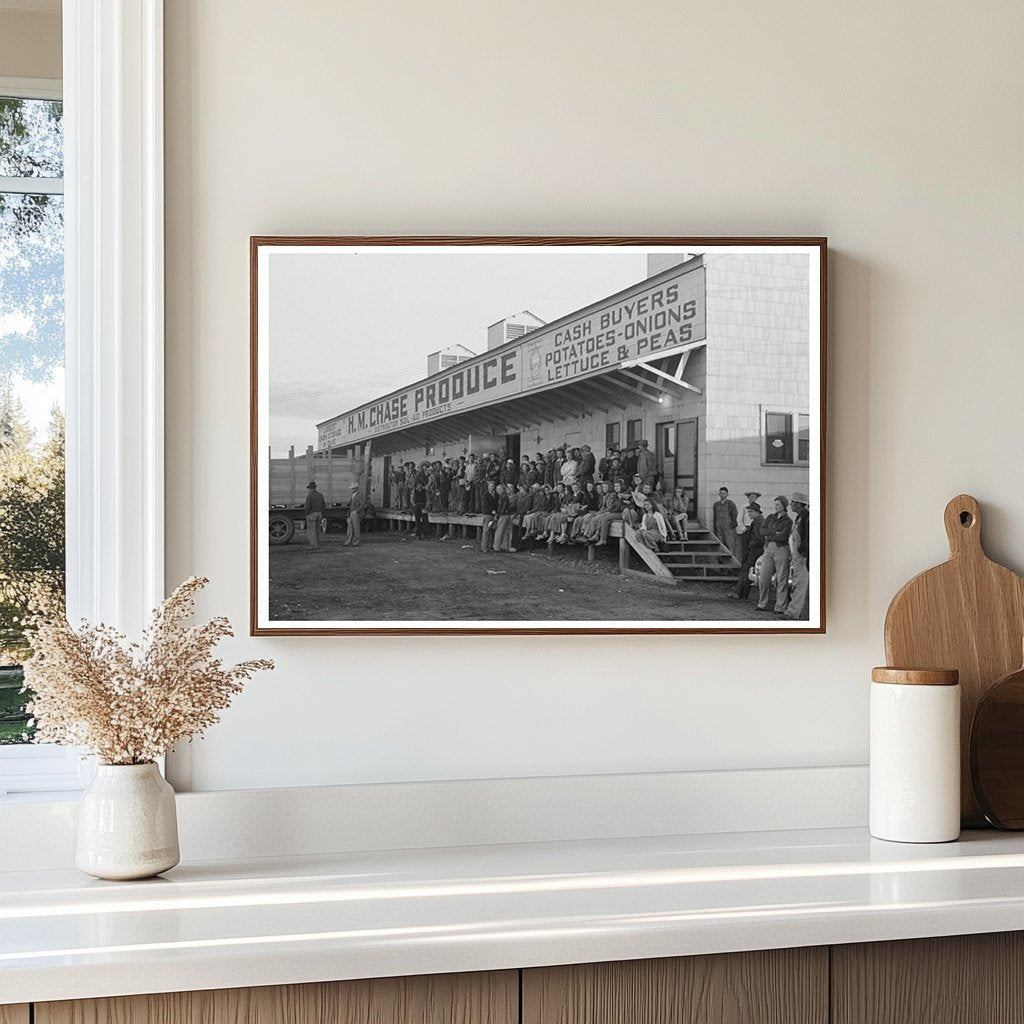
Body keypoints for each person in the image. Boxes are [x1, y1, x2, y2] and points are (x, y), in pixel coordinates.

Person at [756, 495, 793, 613]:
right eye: (775, 504)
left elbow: (783, 536)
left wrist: (770, 535)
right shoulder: (770, 517)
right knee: (763, 577)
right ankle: (762, 603)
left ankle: (780, 606)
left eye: (778, 504)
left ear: (784, 506)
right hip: (768, 549)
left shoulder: (788, 521)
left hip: (781, 549)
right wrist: (774, 532)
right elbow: (762, 531)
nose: (776, 506)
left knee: (782, 578)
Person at [731, 502, 764, 601]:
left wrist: (752, 543)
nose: (749, 514)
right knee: (748, 570)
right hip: (756, 549)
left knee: (747, 569)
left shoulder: (758, 522)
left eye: (751, 512)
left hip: (756, 550)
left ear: (757, 512)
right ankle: (742, 593)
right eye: (748, 512)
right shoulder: (758, 521)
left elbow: (759, 538)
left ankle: (739, 592)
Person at [785, 492, 811, 620]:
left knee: (800, 584)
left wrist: (803, 553)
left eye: (793, 502)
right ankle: (793, 610)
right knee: (797, 583)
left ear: (799, 504)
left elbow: (806, 538)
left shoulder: (806, 517)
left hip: (802, 556)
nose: (791, 505)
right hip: (797, 555)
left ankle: (793, 612)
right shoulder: (800, 517)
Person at [736, 490, 762, 562]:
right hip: (747, 528)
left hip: (755, 528)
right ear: (748, 497)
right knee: (745, 549)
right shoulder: (744, 507)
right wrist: (743, 528)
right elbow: (739, 518)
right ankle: (744, 564)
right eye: (751, 497)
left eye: (754, 497)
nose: (753, 499)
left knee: (754, 548)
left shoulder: (758, 507)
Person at [713, 486, 739, 557]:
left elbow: (734, 514)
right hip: (719, 528)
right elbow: (715, 517)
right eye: (721, 493)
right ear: (719, 494)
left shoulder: (731, 504)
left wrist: (733, 525)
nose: (722, 495)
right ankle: (722, 563)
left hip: (728, 528)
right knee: (720, 545)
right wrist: (715, 527)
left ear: (727, 494)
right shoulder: (716, 505)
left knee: (730, 544)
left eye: (724, 493)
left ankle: (732, 562)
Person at [303, 480, 325, 549]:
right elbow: (323, 505)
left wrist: (306, 513)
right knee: (317, 530)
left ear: (310, 488)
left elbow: (307, 506)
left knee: (312, 530)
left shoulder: (309, 496)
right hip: (319, 513)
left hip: (312, 514)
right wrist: (320, 512)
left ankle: (313, 545)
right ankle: (317, 543)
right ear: (315, 488)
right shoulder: (320, 495)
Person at [410, 469, 429, 540]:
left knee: (425, 521)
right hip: (417, 506)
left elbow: (428, 499)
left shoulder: (425, 491)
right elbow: (412, 500)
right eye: (418, 485)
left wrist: (426, 506)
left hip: (423, 506)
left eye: (420, 484)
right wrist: (414, 505)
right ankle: (418, 534)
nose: (419, 486)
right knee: (417, 521)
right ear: (416, 485)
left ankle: (424, 533)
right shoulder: (414, 491)